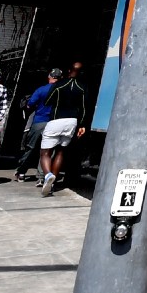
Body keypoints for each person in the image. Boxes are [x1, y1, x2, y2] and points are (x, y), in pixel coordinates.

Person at [36, 63, 91, 196]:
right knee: (61, 152)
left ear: (68, 70)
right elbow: (84, 108)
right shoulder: (82, 87)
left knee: (45, 153)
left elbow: (48, 100)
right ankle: (53, 184)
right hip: (72, 122)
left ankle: (48, 175)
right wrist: (82, 125)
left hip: (56, 120)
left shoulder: (59, 85)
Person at [15, 69, 62, 182]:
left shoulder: (41, 90)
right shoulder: (62, 91)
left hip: (39, 121)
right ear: (60, 78)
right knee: (48, 150)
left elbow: (30, 104)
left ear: (49, 76)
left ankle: (21, 172)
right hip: (55, 123)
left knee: (31, 148)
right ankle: (42, 176)